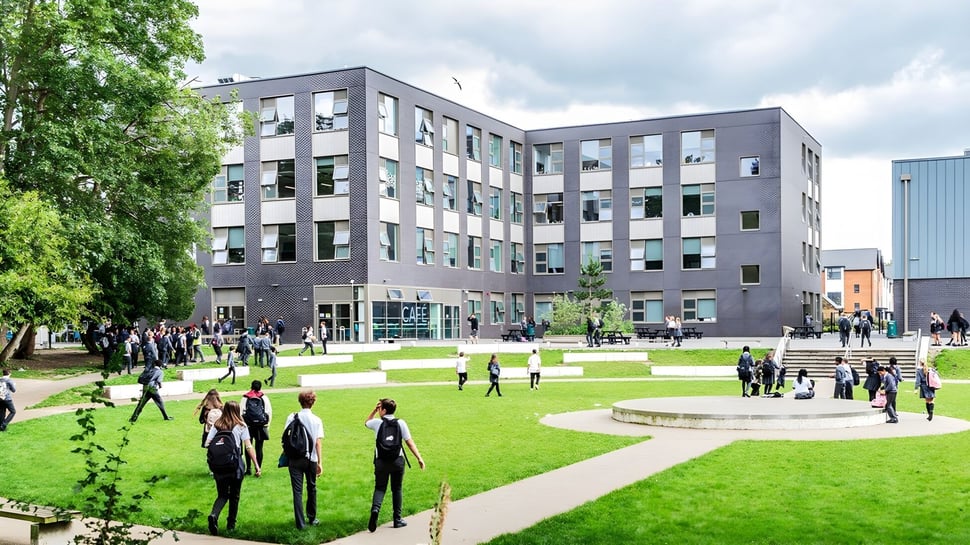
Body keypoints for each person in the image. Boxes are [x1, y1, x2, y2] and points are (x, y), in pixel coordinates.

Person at [364, 398, 425, 532]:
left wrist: (374, 410)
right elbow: (409, 442)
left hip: (381, 462)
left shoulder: (377, 423)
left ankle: (375, 510)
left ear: (384, 410)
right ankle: (397, 519)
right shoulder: (401, 423)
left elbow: (366, 422)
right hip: (397, 461)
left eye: (380, 408)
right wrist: (419, 458)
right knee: (396, 489)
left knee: (380, 488)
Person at [204, 401, 261, 535]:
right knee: (235, 495)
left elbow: (207, 443)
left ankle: (214, 515)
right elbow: (248, 447)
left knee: (222, 494)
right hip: (235, 465)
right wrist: (256, 465)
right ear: (237, 411)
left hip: (218, 466)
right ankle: (231, 524)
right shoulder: (241, 425)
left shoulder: (217, 425)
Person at [283, 390, 325, 530]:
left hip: (295, 458)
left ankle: (300, 523)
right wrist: (320, 462)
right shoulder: (317, 420)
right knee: (312, 487)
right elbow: (318, 442)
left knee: (297, 491)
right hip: (311, 458)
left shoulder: (292, 417)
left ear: (300, 401)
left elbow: (286, 438)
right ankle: (312, 518)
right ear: (313, 402)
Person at [241, 380, 272, 476]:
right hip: (261, 426)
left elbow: (241, 412)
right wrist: (267, 424)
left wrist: (243, 425)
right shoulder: (264, 398)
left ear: (251, 386)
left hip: (248, 426)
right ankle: (258, 468)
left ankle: (249, 468)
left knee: (248, 447)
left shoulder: (245, 397)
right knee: (259, 448)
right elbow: (268, 412)